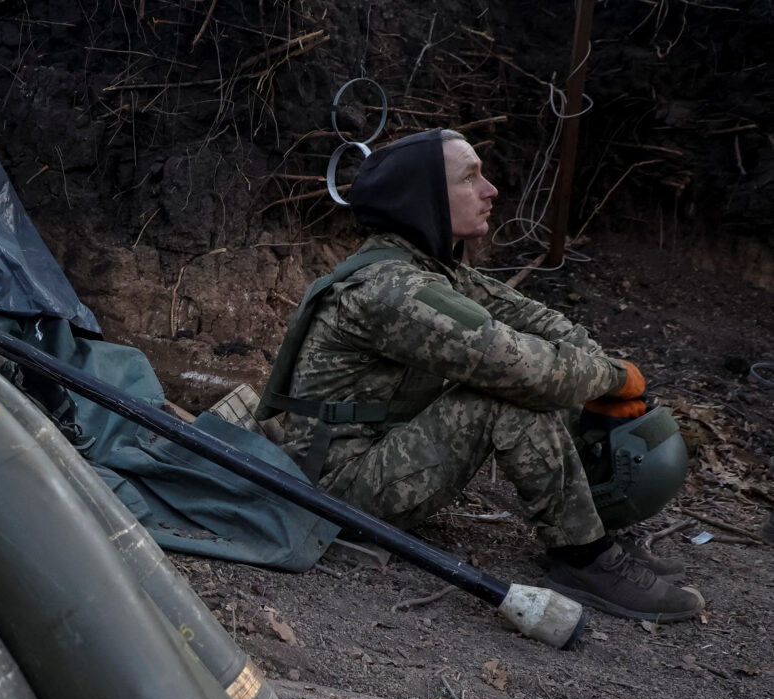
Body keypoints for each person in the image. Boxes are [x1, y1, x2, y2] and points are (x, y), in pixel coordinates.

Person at [263, 128, 701, 622]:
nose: (490, 190)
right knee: (506, 393)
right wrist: (617, 379)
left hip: (369, 461)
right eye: (470, 178)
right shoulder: (393, 291)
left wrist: (599, 365)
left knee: (556, 377)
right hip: (330, 491)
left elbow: (536, 320)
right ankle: (584, 558)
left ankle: (589, 534)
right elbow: (524, 368)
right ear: (422, 198)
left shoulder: (428, 268)